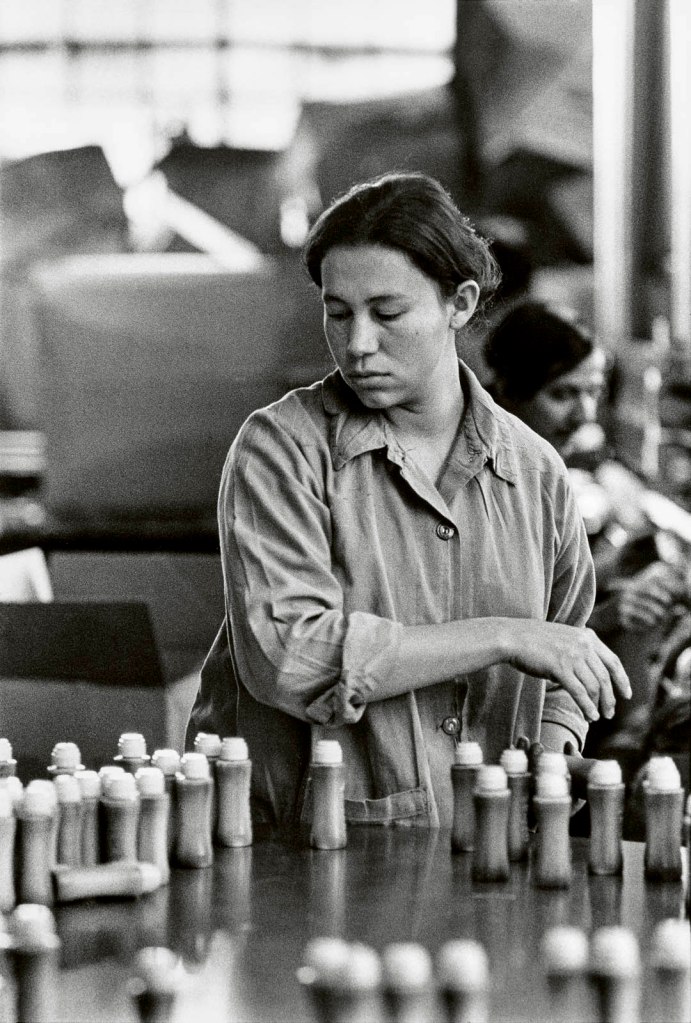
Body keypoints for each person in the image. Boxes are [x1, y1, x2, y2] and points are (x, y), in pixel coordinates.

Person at [187, 173, 630, 828]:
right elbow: (290, 657)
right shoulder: (281, 451)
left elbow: (566, 641)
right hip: (305, 848)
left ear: (460, 303)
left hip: (483, 840)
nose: (357, 344)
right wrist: (502, 636)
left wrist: (555, 742)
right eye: (338, 313)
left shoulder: (535, 472)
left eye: (387, 313)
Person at [484, 301, 687, 641]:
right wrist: (606, 616)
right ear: (509, 390)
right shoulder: (484, 485)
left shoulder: (559, 461)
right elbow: (505, 631)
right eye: (562, 394)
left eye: (594, 392)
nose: (586, 415)